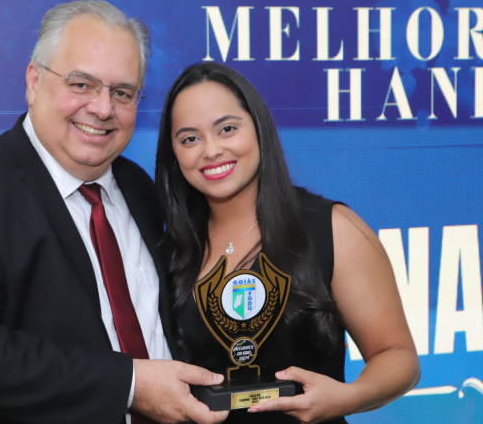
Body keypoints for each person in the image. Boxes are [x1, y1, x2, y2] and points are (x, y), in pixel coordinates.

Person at [0, 2, 228, 424]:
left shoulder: (138, 187)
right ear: (34, 81)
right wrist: (130, 384)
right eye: (82, 84)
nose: (103, 109)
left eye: (122, 93)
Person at [155, 62, 421, 424]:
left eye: (227, 128)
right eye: (189, 138)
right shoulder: (165, 250)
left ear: (258, 128)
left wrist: (347, 398)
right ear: (173, 153)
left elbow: (398, 355)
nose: (211, 150)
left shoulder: (333, 228)